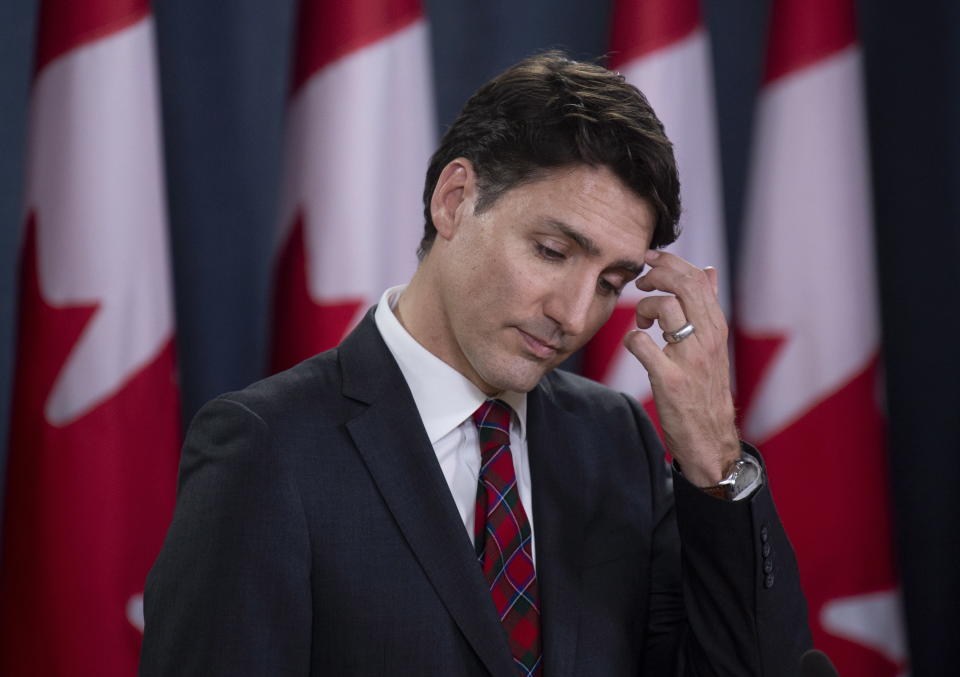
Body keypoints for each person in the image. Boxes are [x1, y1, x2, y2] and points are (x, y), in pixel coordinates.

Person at [140, 51, 811, 676]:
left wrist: (716, 462)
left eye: (611, 281)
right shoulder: (268, 449)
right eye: (552, 250)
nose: (575, 315)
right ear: (455, 199)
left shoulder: (617, 442)